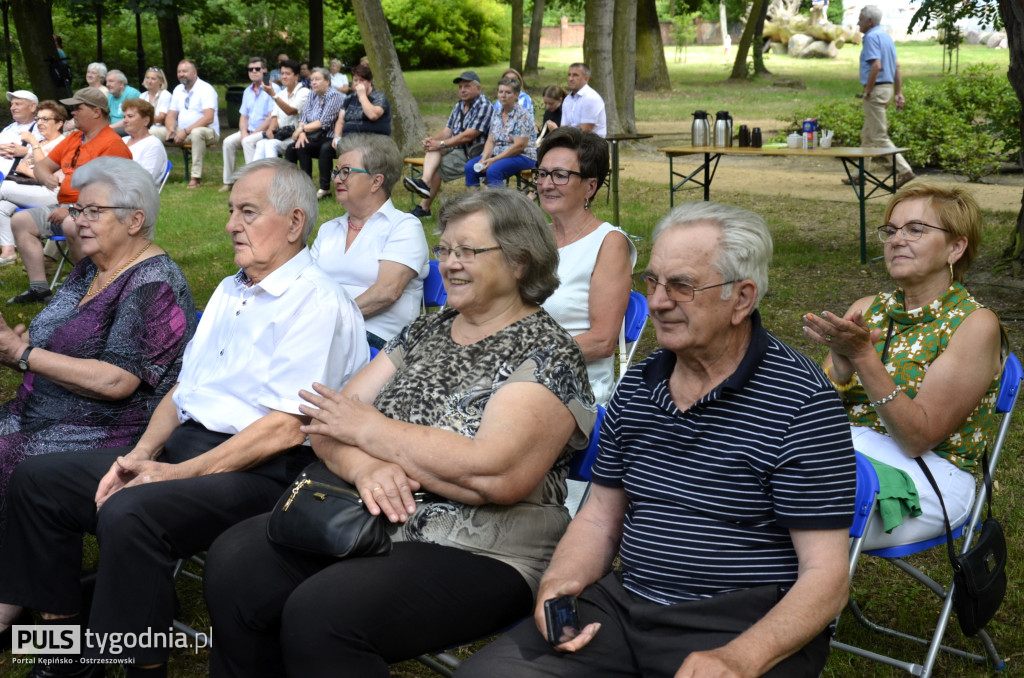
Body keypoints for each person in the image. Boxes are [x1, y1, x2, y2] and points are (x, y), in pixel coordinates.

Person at [203, 188, 596, 678]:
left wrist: (371, 430)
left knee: (324, 613)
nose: (449, 263)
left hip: (486, 547)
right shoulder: (425, 331)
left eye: (467, 251)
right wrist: (365, 465)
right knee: (236, 562)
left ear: (519, 261)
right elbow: (325, 422)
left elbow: (495, 474)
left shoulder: (547, 352)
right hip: (372, 515)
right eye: (445, 249)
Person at [0, 158, 368, 677]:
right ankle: (65, 649)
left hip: (264, 471)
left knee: (132, 511)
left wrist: (173, 474)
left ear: (293, 223)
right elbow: (182, 390)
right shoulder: (231, 289)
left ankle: (134, 666)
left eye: (247, 212)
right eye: (230, 210)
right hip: (188, 448)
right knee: (41, 478)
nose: (230, 225)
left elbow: (287, 426)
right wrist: (141, 455)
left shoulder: (316, 303)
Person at [460, 201, 857, 678]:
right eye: (652, 282)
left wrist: (741, 657)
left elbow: (827, 578)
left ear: (743, 298)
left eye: (682, 286)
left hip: (741, 622)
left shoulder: (801, 401)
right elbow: (601, 515)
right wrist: (562, 584)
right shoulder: (642, 382)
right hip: (628, 603)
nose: (658, 302)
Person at [803, 183, 1003, 551]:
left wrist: (865, 357)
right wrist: (842, 371)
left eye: (915, 229)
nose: (896, 240)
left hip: (931, 475)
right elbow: (812, 412)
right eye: (891, 230)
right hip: (852, 453)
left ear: (955, 248)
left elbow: (918, 438)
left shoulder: (975, 325)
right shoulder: (869, 308)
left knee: (793, 510)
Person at [0, 156, 196, 513]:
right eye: (78, 210)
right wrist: (16, 352)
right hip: (41, 409)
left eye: (93, 211)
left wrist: (23, 355)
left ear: (135, 219)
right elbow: (52, 343)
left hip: (103, 430)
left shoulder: (153, 284)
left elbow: (116, 381)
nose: (78, 222)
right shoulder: (91, 268)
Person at [8, 87, 132, 306]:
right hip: (64, 205)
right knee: (20, 221)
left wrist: (74, 209)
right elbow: (43, 165)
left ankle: (90, 289)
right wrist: (45, 176)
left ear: (96, 112)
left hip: (100, 211)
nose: (72, 112)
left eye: (78, 108)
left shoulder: (113, 145)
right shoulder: (74, 138)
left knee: (71, 225)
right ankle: (39, 288)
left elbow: (112, 192)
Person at [538, 128, 634, 406]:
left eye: (560, 175)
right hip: (517, 379)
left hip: (575, 389)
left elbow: (602, 341)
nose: (546, 184)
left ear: (590, 187)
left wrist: (529, 354)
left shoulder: (608, 243)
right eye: (542, 173)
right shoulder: (534, 239)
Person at [312, 134, 428, 349]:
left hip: (376, 340)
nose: (337, 179)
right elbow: (306, 286)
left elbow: (386, 292)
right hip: (324, 333)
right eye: (337, 172)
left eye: (346, 172)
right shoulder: (329, 229)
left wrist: (330, 320)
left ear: (376, 181)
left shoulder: (403, 226)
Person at [403, 70, 490, 218]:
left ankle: (424, 207)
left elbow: (469, 136)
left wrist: (441, 144)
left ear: (478, 88)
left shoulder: (484, 105)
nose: (462, 90)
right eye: (460, 87)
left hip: (474, 153)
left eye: (467, 86)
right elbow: (447, 131)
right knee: (433, 147)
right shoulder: (459, 106)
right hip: (457, 149)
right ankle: (424, 184)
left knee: (439, 165)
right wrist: (432, 141)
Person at [0, 100, 68, 266]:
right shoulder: (42, 144)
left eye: (46, 119)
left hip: (53, 194)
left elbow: (43, 173)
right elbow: (24, 167)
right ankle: (8, 251)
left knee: (3, 188)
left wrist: (34, 145)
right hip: (33, 190)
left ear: (59, 123)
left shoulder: (62, 144)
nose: (40, 123)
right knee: (2, 206)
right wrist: (37, 172)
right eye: (38, 119)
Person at [853, 5, 914, 188]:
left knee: (879, 135)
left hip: (876, 90)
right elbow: (897, 67)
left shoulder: (871, 37)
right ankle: (860, 175)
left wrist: (868, 91)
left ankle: (905, 171)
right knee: (867, 134)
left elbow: (876, 66)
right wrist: (898, 93)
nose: (858, 22)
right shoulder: (886, 36)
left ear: (869, 21)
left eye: (861, 18)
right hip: (886, 89)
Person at [464, 76, 536, 188]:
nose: (503, 95)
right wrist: (484, 158)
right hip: (498, 154)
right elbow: (490, 140)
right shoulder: (496, 113)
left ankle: (500, 204)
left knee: (493, 170)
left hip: (523, 156)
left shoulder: (523, 115)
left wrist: (494, 160)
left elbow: (519, 146)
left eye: (508, 92)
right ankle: (476, 202)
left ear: (516, 95)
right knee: (470, 167)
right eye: (500, 92)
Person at [284, 67, 343, 200]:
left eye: (317, 79)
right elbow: (303, 118)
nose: (314, 82)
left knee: (311, 147)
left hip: (330, 136)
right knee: (292, 148)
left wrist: (301, 130)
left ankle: (323, 188)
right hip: (312, 135)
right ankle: (293, 186)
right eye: (312, 80)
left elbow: (323, 122)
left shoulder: (334, 96)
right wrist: (302, 134)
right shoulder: (312, 94)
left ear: (327, 81)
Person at [221, 57, 277, 192]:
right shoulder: (247, 91)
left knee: (247, 142)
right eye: (250, 69)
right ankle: (228, 181)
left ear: (265, 70)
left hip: (266, 131)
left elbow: (271, 117)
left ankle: (252, 182)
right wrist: (244, 132)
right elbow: (243, 116)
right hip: (249, 130)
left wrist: (253, 133)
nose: (253, 71)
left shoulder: (272, 89)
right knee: (228, 142)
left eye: (257, 69)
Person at [0, 90, 43, 263]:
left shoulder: (40, 128)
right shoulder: (9, 128)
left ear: (33, 107)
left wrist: (25, 150)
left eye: (18, 104)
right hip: (7, 185)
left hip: (26, 184)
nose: (13, 107)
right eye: (12, 104)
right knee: (1, 207)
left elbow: (50, 152)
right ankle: (8, 250)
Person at [164, 59, 220, 189]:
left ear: (194, 73)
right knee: (153, 133)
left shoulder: (206, 89)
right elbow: (171, 115)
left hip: (207, 132)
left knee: (197, 132)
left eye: (184, 71)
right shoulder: (178, 89)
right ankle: (154, 173)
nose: (181, 74)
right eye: (179, 72)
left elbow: (208, 118)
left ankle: (195, 177)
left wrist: (186, 131)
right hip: (182, 131)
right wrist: (171, 128)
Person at [251, 59, 309, 161]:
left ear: (296, 76)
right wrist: (270, 130)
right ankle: (256, 175)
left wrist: (273, 94)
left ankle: (274, 175)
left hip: (295, 136)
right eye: (282, 73)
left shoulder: (304, 92)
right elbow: (275, 116)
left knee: (270, 144)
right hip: (281, 135)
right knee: (261, 143)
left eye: (287, 74)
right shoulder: (281, 94)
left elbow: (290, 111)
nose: (284, 77)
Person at [329, 63, 390, 143]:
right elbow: (340, 121)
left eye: (362, 80)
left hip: (372, 139)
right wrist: (337, 137)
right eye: (355, 80)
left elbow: (373, 115)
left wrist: (362, 96)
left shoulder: (379, 97)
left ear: (370, 81)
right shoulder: (349, 98)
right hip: (349, 138)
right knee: (326, 148)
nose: (358, 83)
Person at [121, 98, 169, 183]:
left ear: (146, 121)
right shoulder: (122, 141)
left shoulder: (153, 145)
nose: (125, 120)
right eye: (124, 117)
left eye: (130, 116)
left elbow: (146, 180)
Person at [562, 63, 606, 138]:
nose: (570, 78)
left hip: (591, 145)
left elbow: (585, 131)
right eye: (569, 75)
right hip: (572, 143)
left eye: (575, 75)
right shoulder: (567, 99)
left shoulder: (591, 98)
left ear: (586, 79)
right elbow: (563, 128)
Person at [139, 66, 172, 140]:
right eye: (147, 78)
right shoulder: (143, 96)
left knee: (144, 133)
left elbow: (162, 118)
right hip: (145, 126)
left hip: (161, 128)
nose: (149, 81)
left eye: (153, 79)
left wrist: (143, 120)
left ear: (161, 81)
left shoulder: (165, 94)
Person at [105, 70, 141, 135]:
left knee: (107, 133)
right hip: (113, 128)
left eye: (111, 81)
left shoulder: (132, 94)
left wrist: (108, 128)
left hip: (128, 127)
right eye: (106, 81)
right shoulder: (110, 97)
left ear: (121, 83)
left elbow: (129, 119)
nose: (107, 84)